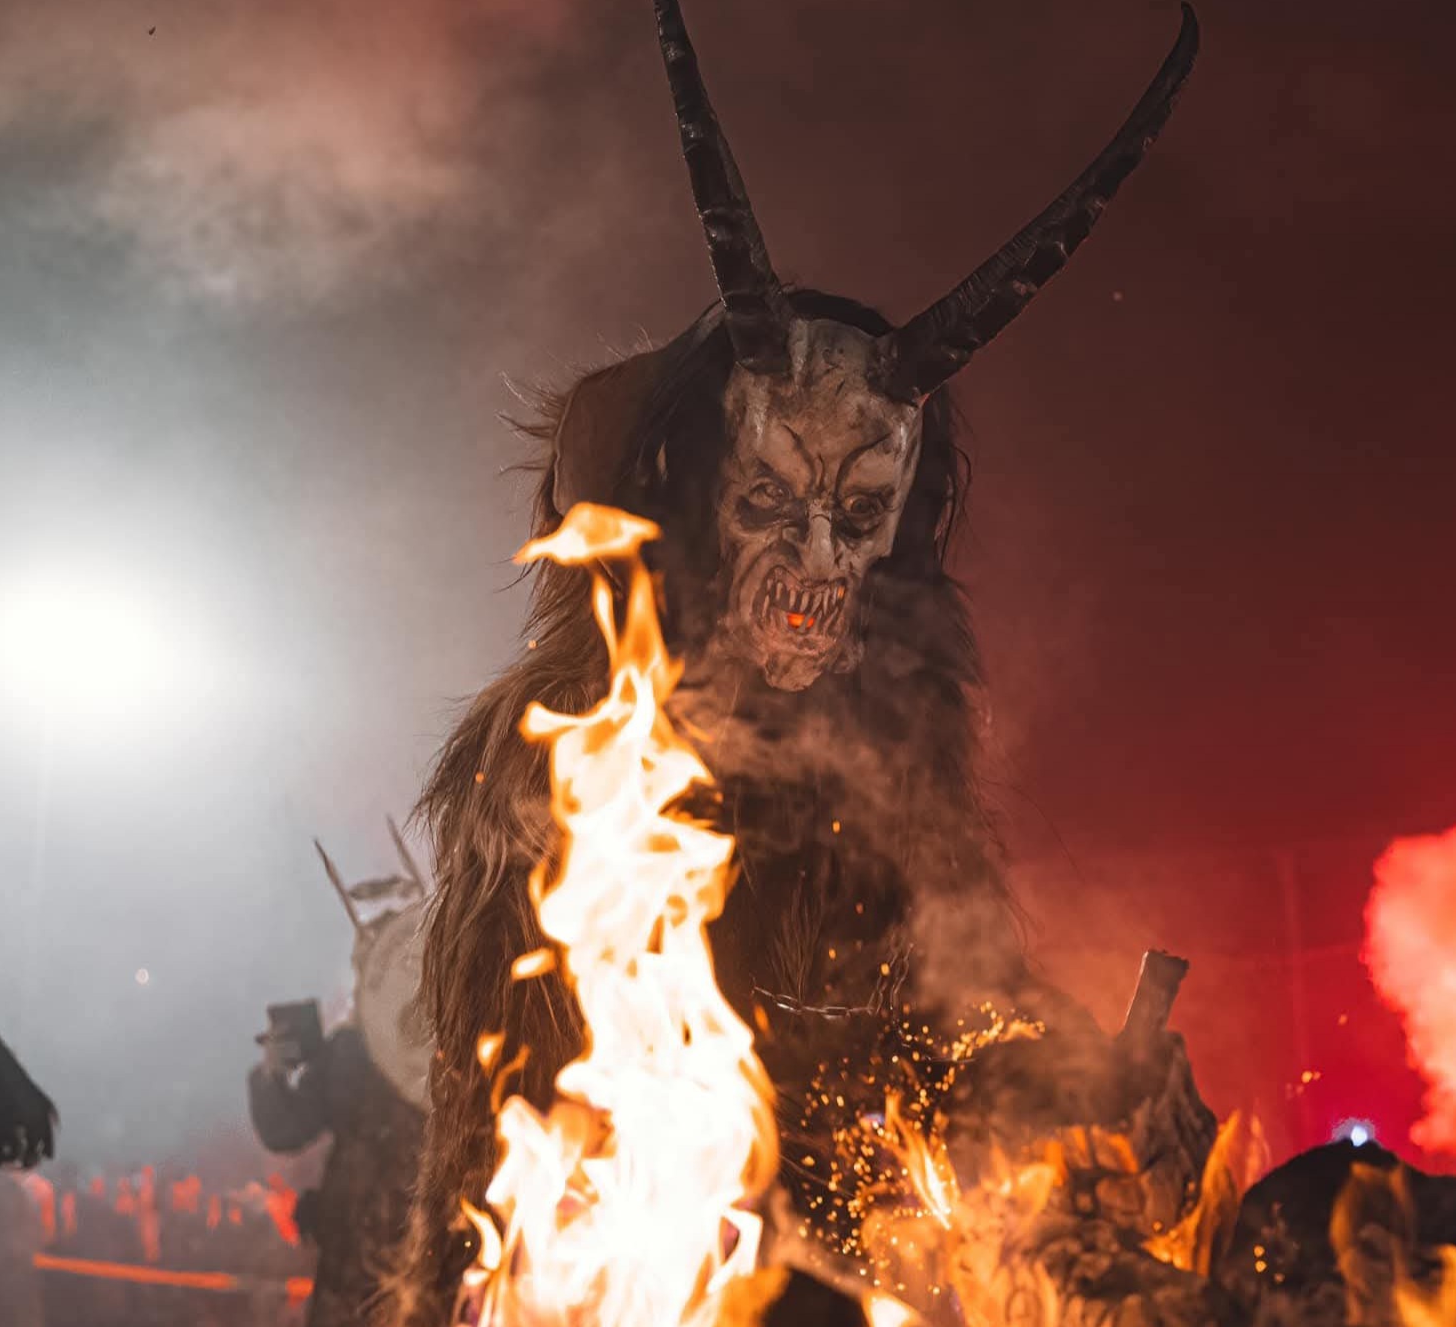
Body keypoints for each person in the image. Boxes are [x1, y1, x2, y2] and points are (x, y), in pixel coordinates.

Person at [381, 3, 1202, 1323]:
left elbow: (948, 1027)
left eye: (862, 514)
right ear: (687, 502)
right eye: (771, 504)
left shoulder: (888, 777)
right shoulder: (567, 759)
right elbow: (522, 1112)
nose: (823, 560)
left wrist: (1071, 1090)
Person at [250, 830, 431, 1327]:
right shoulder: (355, 1049)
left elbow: (286, 1128)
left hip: (384, 1243)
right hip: (402, 1241)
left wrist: (273, 1077)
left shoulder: (357, 1049)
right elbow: (287, 1128)